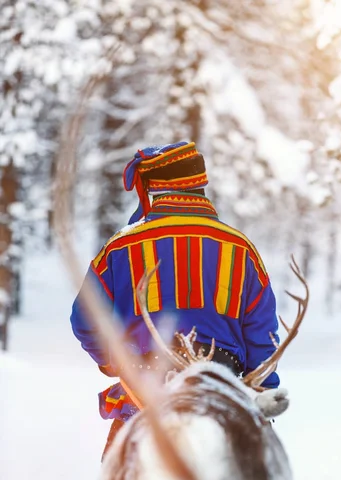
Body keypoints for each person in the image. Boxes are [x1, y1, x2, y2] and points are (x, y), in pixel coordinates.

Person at [71, 141, 280, 453]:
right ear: (199, 188)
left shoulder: (119, 248)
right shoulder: (241, 249)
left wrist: (115, 362)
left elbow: (85, 321)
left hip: (145, 386)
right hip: (222, 385)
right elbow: (262, 335)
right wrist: (262, 389)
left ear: (155, 191)